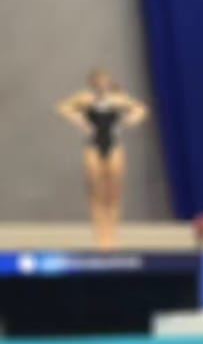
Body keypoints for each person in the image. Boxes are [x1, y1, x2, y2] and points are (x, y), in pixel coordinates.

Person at [54, 69, 149, 249]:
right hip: (93, 146)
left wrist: (132, 120)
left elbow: (141, 109)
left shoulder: (118, 99)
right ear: (92, 83)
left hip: (114, 146)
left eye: (104, 81)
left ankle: (113, 236)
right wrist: (79, 120)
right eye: (98, 81)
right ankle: (100, 237)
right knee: (96, 194)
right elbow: (63, 107)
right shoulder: (86, 98)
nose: (101, 84)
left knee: (114, 194)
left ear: (109, 82)